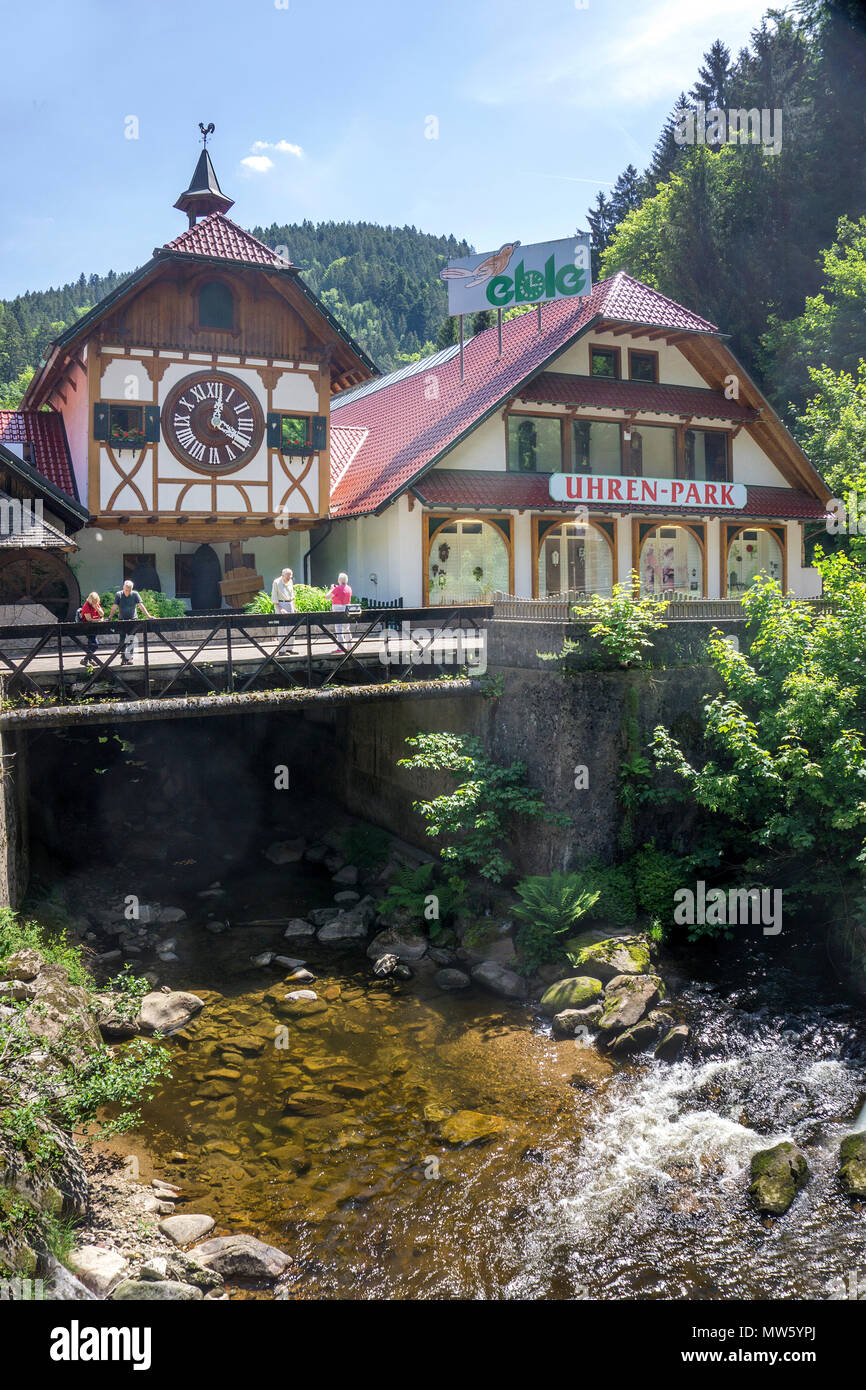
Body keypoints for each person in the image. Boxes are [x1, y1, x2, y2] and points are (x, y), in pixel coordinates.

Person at [108, 579, 152, 665]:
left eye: (129, 590)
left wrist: (148, 616)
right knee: (122, 640)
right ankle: (123, 657)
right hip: (122, 620)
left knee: (131, 639)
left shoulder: (135, 594)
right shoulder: (119, 594)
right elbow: (114, 607)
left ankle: (130, 658)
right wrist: (109, 617)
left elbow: (141, 605)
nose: (127, 591)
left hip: (133, 620)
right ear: (123, 587)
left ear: (131, 589)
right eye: (126, 589)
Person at [271, 567, 297, 653]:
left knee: (292, 627)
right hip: (280, 604)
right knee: (282, 628)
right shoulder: (276, 582)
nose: (289, 578)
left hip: (290, 604)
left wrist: (294, 607)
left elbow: (292, 596)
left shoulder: (290, 581)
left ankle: (290, 648)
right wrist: (280, 609)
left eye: (290, 576)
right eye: (287, 576)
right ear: (282, 575)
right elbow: (274, 598)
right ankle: (282, 650)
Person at [78, 591, 103, 664]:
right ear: (90, 600)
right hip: (87, 627)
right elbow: (89, 619)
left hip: (94, 627)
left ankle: (89, 659)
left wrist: (97, 608)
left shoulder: (96, 604)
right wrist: (99, 620)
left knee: (90, 644)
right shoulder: (86, 606)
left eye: (96, 601)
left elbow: (102, 613)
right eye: (94, 601)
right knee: (95, 645)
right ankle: (86, 659)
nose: (95, 603)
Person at [328, 572, 352, 646]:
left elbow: (327, 597)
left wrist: (331, 589)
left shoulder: (337, 589)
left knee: (338, 628)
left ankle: (341, 647)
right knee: (346, 628)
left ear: (339, 580)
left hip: (338, 608)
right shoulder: (349, 588)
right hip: (346, 608)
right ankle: (350, 645)